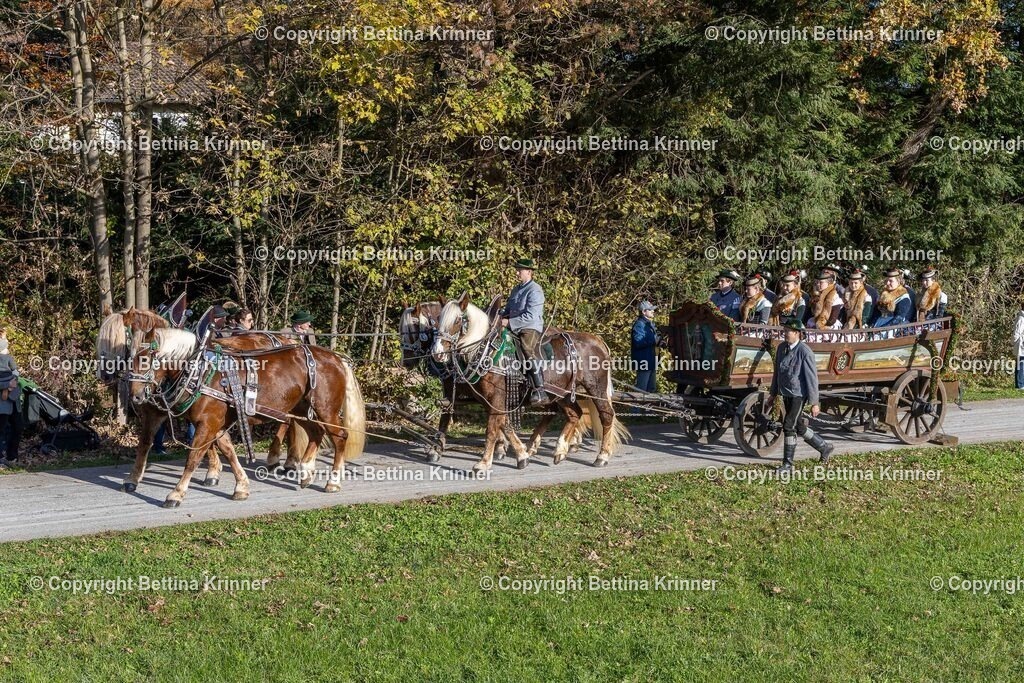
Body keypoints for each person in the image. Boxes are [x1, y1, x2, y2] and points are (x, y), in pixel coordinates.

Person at [768, 318, 834, 472]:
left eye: (788, 331)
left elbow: (812, 378)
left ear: (797, 333)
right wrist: (773, 394)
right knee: (798, 426)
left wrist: (814, 402)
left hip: (799, 394)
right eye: (784, 331)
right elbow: (777, 373)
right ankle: (824, 447)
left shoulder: (805, 352)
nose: (785, 333)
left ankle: (788, 464)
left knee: (789, 425)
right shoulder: (781, 348)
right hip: (786, 392)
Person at [500, 258, 548, 404]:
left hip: (530, 326)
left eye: (519, 270)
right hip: (513, 326)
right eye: (517, 270)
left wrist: (509, 322)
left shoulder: (535, 290)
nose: (516, 272)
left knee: (526, 348)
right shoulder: (516, 289)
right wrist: (499, 315)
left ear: (529, 272)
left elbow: (531, 316)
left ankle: (540, 389)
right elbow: (508, 309)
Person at [0, 331, 22, 468]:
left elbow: (16, 373)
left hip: (13, 400)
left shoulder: (9, 358)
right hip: (2, 403)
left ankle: (11, 457)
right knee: (0, 429)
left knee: (18, 426)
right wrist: (6, 386)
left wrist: (13, 382)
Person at [631, 301, 658, 392]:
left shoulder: (649, 324)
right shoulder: (639, 325)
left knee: (651, 389)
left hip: (651, 362)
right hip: (644, 362)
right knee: (641, 390)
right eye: (650, 310)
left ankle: (648, 407)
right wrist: (654, 341)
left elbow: (651, 341)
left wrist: (660, 342)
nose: (653, 311)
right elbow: (638, 342)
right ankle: (635, 407)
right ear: (643, 312)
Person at [1014, 302, 1024, 390]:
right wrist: (1016, 343)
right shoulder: (1021, 318)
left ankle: (1020, 384)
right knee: (1021, 364)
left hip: (1021, 345)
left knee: (1020, 364)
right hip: (1021, 345)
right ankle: (1020, 385)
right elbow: (1017, 333)